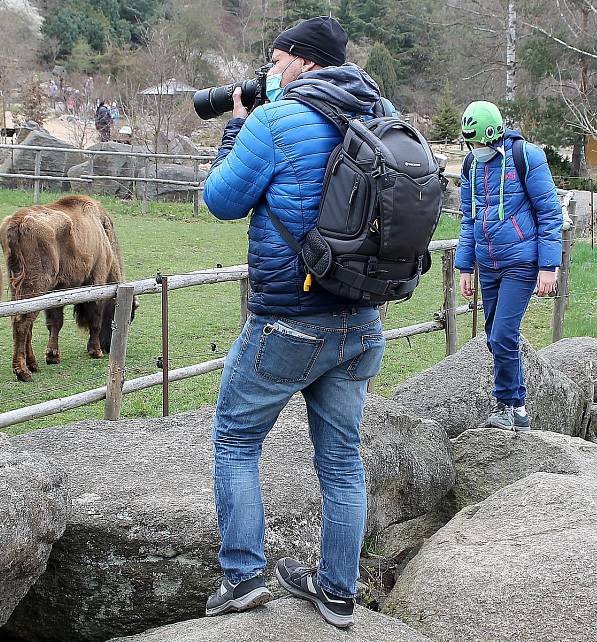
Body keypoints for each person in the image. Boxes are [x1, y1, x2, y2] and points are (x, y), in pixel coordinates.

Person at [202, 16, 386, 629]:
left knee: (235, 439)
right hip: (360, 321)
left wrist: (235, 126)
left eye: (276, 61)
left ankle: (243, 574)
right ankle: (337, 590)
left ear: (306, 62)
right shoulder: (381, 112)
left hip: (289, 320)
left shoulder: (275, 121)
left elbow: (222, 201)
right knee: (341, 458)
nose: (269, 73)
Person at [456, 100, 563, 431]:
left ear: (494, 135)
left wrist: (549, 266)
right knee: (493, 336)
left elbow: (550, 213)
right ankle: (516, 407)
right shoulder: (471, 165)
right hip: (488, 263)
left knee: (503, 333)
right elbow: (468, 219)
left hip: (521, 262)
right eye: (470, 143)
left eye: (479, 142)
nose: (476, 149)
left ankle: (506, 403)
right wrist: (465, 266)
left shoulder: (526, 158)